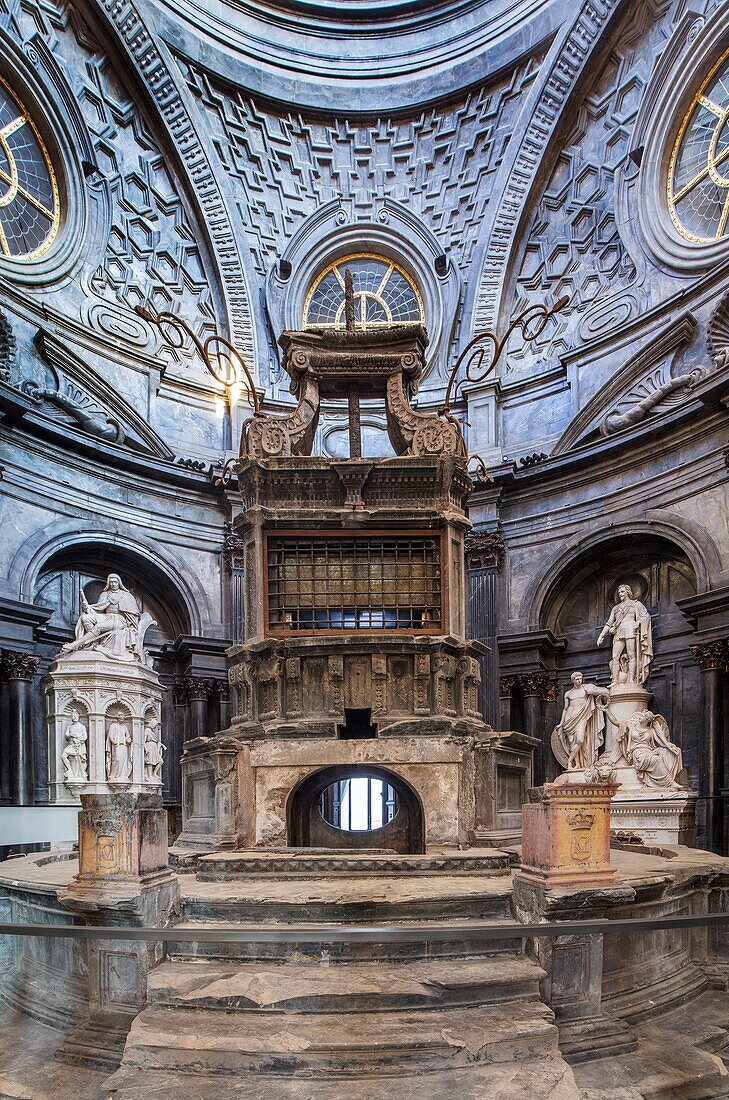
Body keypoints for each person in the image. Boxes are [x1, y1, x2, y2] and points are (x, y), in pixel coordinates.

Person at [62, 574, 142, 661]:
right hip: (106, 616)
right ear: (108, 583)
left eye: (115, 582)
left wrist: (131, 626)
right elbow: (98, 608)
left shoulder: (126, 595)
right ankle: (94, 642)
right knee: (86, 618)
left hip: (119, 620)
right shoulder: (105, 594)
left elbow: (134, 614)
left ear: (119, 583)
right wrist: (87, 607)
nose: (113, 584)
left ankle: (75, 644)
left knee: (99, 627)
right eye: (111, 582)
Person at [552, 671, 609, 771]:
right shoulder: (568, 693)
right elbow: (565, 709)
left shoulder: (587, 688)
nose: (579, 681)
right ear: (573, 680)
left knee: (580, 739)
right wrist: (561, 723)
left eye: (580, 678)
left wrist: (594, 692)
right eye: (577, 679)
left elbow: (606, 691)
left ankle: (569, 760)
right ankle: (577, 764)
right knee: (572, 742)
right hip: (569, 719)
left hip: (582, 717)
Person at [597, 583, 653, 686]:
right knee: (615, 657)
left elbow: (646, 616)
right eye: (619, 593)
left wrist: (638, 623)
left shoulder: (636, 604)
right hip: (619, 632)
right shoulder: (615, 608)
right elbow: (609, 623)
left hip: (630, 630)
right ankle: (614, 681)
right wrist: (601, 635)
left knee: (632, 655)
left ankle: (631, 679)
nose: (620, 594)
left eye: (622, 591)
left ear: (628, 592)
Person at [621, 710, 683, 790]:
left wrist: (670, 746)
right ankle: (669, 782)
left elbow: (662, 741)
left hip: (648, 750)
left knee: (666, 753)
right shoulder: (632, 729)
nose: (640, 717)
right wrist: (606, 710)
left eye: (643, 716)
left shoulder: (651, 731)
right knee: (656, 759)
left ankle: (666, 782)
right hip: (637, 752)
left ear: (647, 720)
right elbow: (617, 723)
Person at [61, 707, 88, 785]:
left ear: (78, 717)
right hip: (71, 744)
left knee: (77, 759)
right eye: (73, 716)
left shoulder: (82, 726)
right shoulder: (69, 727)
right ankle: (69, 770)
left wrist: (78, 740)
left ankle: (78, 775)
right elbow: (66, 736)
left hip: (79, 745)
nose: (74, 717)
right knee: (63, 756)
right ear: (71, 717)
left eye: (76, 716)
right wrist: (70, 735)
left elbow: (85, 737)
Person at [106, 717, 132, 781]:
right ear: (118, 719)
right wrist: (113, 741)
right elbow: (110, 735)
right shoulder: (113, 726)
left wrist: (128, 739)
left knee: (124, 760)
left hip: (124, 745)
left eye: (123, 719)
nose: (122, 720)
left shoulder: (124, 727)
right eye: (121, 719)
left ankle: (122, 775)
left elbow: (128, 736)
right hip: (116, 745)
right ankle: (114, 774)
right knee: (117, 759)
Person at [144, 718, 164, 783]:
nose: (155, 727)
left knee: (160, 761)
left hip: (154, 747)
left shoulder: (152, 732)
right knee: (150, 762)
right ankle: (150, 776)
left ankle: (154, 773)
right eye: (155, 725)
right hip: (149, 746)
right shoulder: (146, 730)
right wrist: (146, 749)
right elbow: (143, 741)